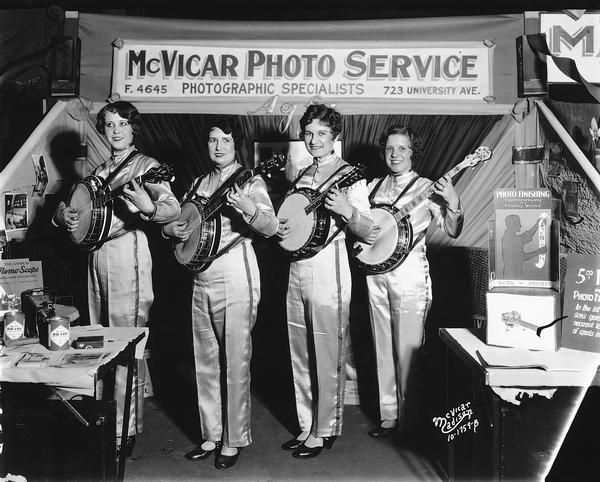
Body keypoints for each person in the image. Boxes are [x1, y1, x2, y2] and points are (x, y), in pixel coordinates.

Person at [53, 100, 180, 454]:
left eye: (123, 123)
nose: (116, 130)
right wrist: (68, 219)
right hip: (96, 258)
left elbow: (170, 208)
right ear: (103, 130)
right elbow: (71, 210)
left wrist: (148, 205)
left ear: (133, 128)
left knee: (125, 343)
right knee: (101, 340)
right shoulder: (100, 168)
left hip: (129, 252)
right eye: (109, 125)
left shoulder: (147, 166)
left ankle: (126, 428)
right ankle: (107, 419)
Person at [162, 116, 278, 470]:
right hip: (200, 275)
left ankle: (234, 438)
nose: (218, 147)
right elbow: (181, 221)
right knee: (205, 358)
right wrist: (173, 230)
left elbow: (271, 226)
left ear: (236, 144)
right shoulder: (199, 181)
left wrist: (248, 208)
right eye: (212, 140)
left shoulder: (251, 179)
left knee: (235, 359)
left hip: (234, 271)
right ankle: (211, 433)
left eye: (225, 141)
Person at [277, 104, 373, 459]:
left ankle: (325, 427)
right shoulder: (302, 172)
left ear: (336, 138)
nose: (314, 140)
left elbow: (369, 229)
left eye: (322, 134)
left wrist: (346, 211)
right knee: (299, 348)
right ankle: (306, 425)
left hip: (329, 264)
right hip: (296, 266)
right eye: (309, 133)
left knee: (326, 348)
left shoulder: (350, 175)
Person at [363, 125, 464, 443]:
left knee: (408, 350)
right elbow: (364, 228)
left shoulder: (426, 186)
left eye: (402, 148)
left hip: (409, 279)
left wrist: (453, 201)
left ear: (412, 152)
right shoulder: (374, 187)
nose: (395, 154)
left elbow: (451, 230)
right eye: (390, 148)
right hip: (375, 275)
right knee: (382, 347)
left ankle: (413, 421)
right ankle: (389, 416)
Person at [501, 213, 547, 278]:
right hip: (511, 273)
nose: (521, 226)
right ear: (512, 225)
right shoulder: (509, 238)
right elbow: (521, 257)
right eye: (519, 223)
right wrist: (539, 252)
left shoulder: (511, 237)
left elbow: (525, 237)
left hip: (514, 271)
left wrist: (537, 225)